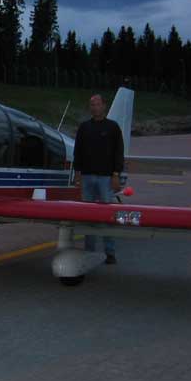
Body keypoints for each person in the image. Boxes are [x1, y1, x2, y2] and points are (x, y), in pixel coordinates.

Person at [73, 93, 125, 264]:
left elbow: (119, 152)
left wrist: (116, 175)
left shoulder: (113, 127)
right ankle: (89, 251)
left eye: (97, 104)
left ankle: (110, 252)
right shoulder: (84, 127)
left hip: (105, 178)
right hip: (87, 177)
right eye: (92, 105)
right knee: (88, 216)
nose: (94, 107)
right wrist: (77, 174)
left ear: (104, 106)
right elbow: (78, 151)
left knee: (107, 216)